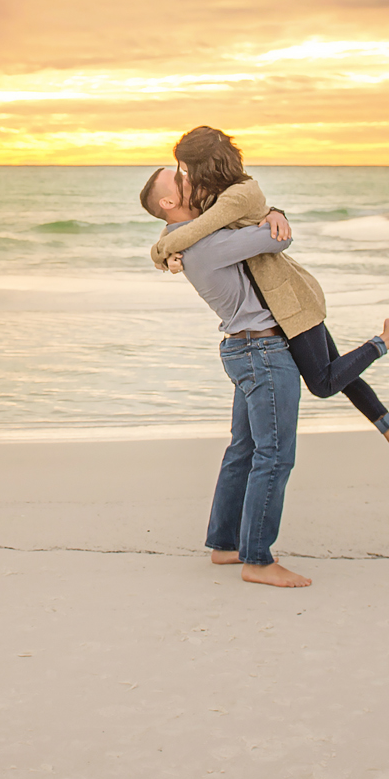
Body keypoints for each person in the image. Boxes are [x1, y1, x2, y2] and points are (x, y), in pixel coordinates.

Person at [148, 127, 389, 490]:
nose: (184, 175)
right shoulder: (219, 197)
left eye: (184, 168)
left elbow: (193, 231)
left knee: (324, 382)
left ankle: (386, 339)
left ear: (203, 163)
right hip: (286, 298)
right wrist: (168, 246)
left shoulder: (237, 195)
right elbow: (186, 225)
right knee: (336, 373)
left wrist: (160, 252)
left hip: (289, 300)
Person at [139, 165, 314, 587]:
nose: (195, 182)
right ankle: (257, 559)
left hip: (245, 349)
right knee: (274, 456)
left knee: (244, 450)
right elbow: (280, 237)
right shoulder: (206, 244)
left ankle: (225, 544)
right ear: (169, 203)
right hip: (263, 351)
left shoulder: (190, 242)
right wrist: (274, 217)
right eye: (182, 182)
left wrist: (272, 210)